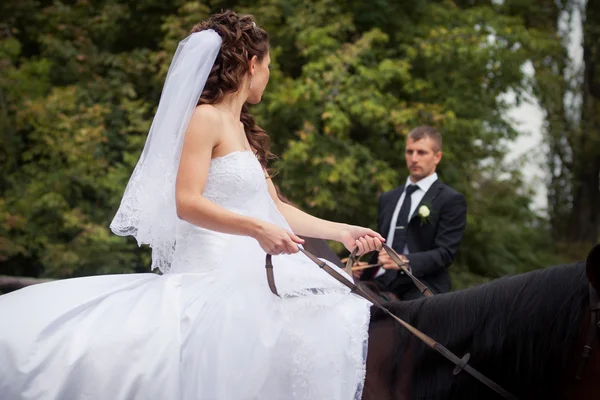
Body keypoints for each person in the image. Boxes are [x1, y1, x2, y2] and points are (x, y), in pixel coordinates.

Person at [0, 11, 385, 400]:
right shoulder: (205, 119)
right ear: (253, 66)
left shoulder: (241, 130)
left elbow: (277, 208)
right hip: (212, 272)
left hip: (254, 269)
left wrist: (342, 232)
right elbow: (186, 202)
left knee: (331, 321)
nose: (269, 74)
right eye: (268, 66)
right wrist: (256, 229)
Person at [359, 126, 467, 300]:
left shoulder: (451, 199)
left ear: (437, 157)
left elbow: (445, 254)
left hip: (420, 285)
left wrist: (404, 261)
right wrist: (363, 270)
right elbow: (381, 245)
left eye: (421, 152)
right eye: (410, 152)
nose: (414, 158)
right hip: (379, 280)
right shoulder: (388, 197)